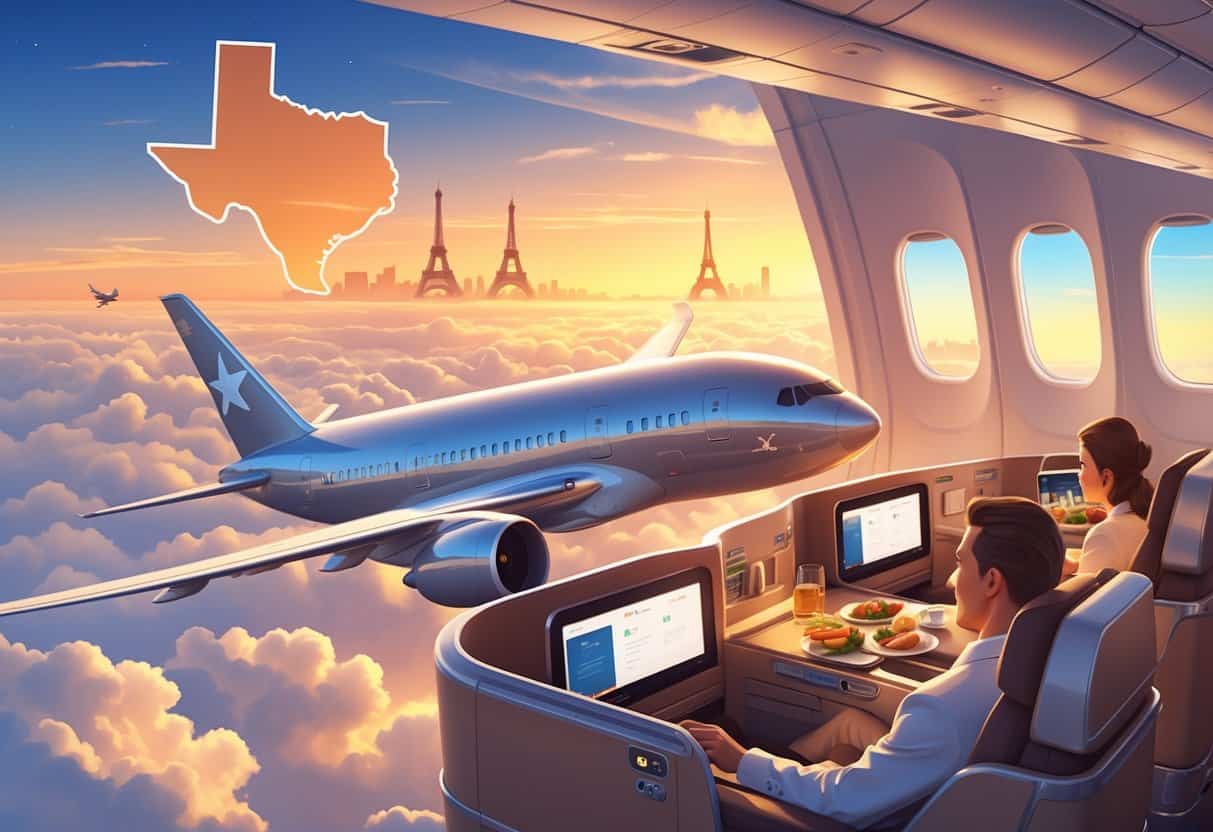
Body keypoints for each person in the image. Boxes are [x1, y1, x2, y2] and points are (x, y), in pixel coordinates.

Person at [682, 497, 1063, 829]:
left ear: (992, 582)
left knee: (720, 771)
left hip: (864, 815)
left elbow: (842, 801)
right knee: (849, 727)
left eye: (960, 562)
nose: (950, 580)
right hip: (923, 790)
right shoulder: (1047, 659)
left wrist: (742, 760)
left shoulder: (943, 708)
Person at [1061, 416, 1154, 577]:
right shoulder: (1147, 516)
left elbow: (1085, 601)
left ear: (1106, 477)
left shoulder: (1104, 535)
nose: (1079, 474)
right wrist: (1076, 567)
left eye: (1083, 465)